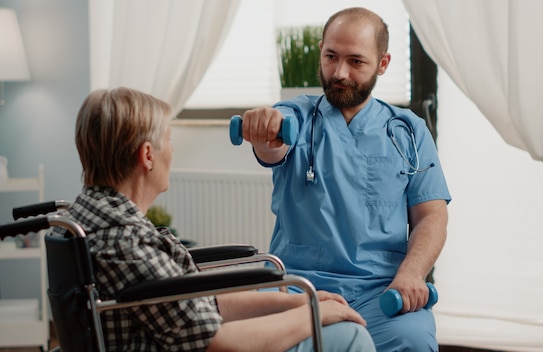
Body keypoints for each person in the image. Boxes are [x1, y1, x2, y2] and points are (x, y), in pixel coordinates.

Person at [51, 87, 376, 352]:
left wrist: (297, 302)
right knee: (351, 337)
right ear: (148, 155)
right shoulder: (124, 241)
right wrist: (313, 315)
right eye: (169, 139)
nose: (172, 151)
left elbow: (197, 302)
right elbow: (217, 341)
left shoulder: (90, 219)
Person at [240, 7, 451, 352]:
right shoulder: (296, 116)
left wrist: (412, 275)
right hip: (298, 287)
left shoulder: (409, 131)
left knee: (413, 341)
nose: (339, 72)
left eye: (356, 61)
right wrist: (265, 130)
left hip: (381, 291)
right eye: (331, 57)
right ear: (321, 50)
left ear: (383, 64)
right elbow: (273, 146)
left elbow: (431, 215)